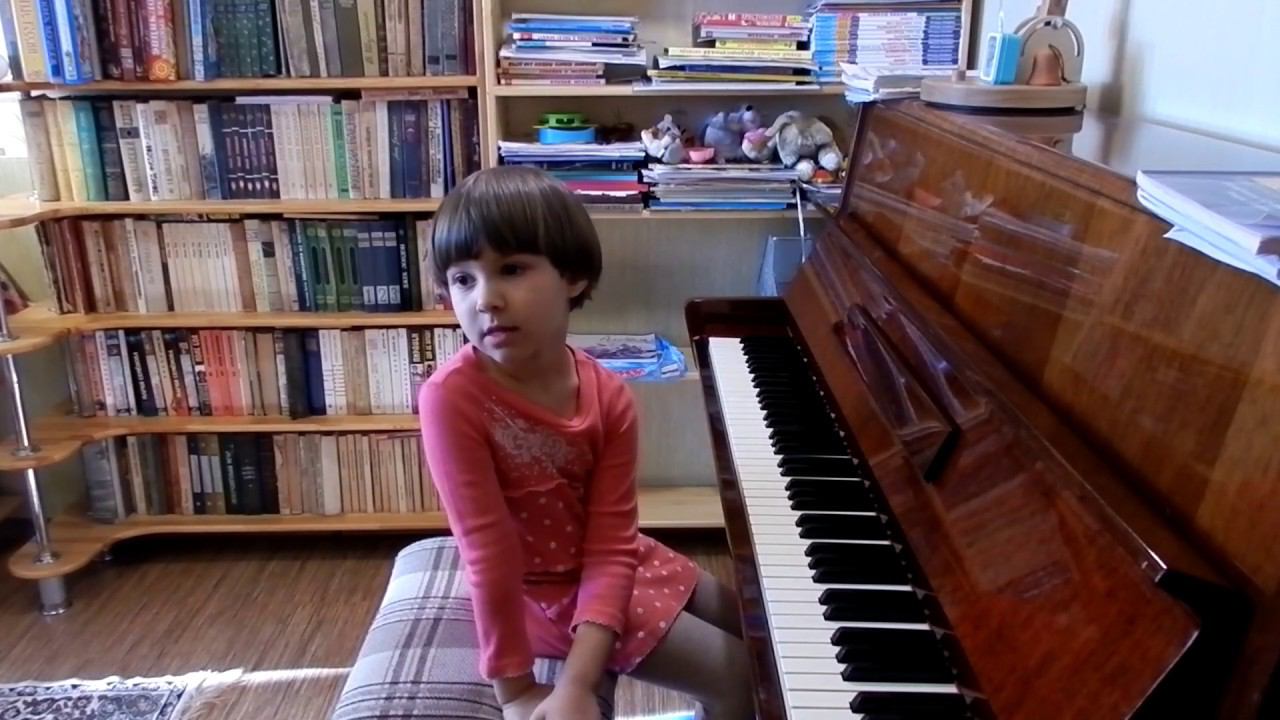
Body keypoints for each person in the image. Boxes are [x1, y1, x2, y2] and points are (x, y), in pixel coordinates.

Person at [417, 166, 754, 720]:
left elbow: (611, 543)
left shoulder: (609, 394)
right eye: (463, 280)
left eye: (511, 270)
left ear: (572, 277)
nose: (486, 299)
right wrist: (525, 689)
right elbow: (489, 553)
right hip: (539, 594)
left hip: (615, 564)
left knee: (760, 631)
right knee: (738, 678)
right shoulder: (451, 399)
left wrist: (581, 674)